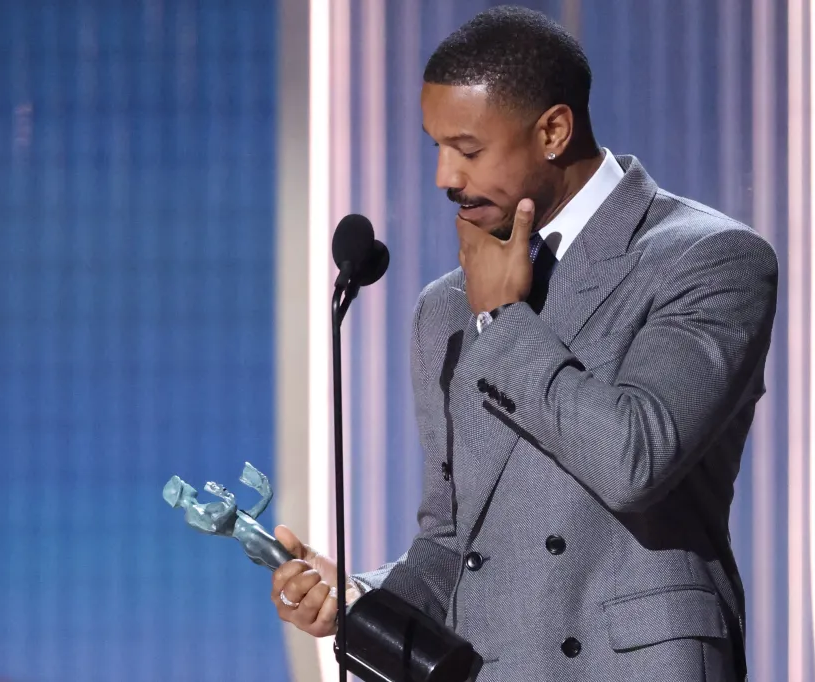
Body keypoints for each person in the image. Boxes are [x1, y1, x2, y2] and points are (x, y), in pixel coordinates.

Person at [269, 5, 777, 681]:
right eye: (437, 148)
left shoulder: (708, 259)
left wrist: (504, 320)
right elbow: (454, 545)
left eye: (469, 150)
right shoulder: (446, 309)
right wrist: (358, 601)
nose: (445, 177)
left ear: (554, 131)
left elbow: (637, 459)